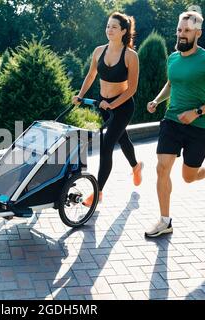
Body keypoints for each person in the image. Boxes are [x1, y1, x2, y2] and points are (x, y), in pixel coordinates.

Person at [144, 11, 205, 237]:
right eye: (179, 30)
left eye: (186, 31)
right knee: (162, 168)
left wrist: (197, 112)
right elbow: (171, 83)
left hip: (200, 126)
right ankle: (165, 221)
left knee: (188, 176)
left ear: (198, 33)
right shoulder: (173, 58)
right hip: (172, 121)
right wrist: (157, 100)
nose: (181, 34)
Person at [72, 12, 144, 207]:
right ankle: (136, 166)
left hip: (122, 107)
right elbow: (90, 75)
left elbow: (132, 88)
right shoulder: (98, 51)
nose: (109, 29)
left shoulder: (130, 56)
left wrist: (113, 104)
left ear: (123, 31)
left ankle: (98, 192)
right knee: (122, 138)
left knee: (106, 145)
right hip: (104, 106)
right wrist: (80, 95)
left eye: (114, 27)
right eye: (108, 26)